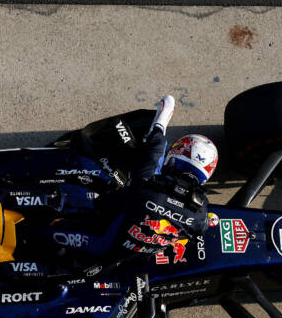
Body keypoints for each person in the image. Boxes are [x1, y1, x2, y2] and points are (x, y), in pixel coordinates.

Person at [37, 95, 219, 266]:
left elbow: (103, 204)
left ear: (176, 156)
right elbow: (201, 227)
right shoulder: (200, 214)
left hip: (99, 244)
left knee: (40, 230)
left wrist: (160, 124)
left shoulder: (147, 183)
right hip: (129, 261)